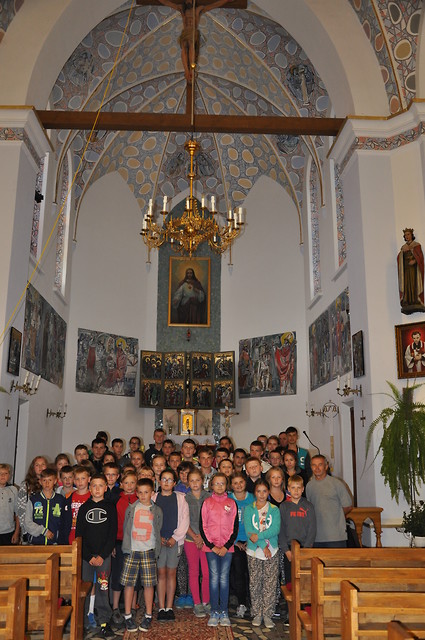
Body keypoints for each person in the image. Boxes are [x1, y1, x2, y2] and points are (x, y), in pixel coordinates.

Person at [76, 473, 117, 639]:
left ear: (106, 488)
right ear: (89, 488)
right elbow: (79, 535)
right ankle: (83, 622)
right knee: (85, 588)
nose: (97, 489)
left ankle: (104, 622)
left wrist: (102, 555)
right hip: (87, 557)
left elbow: (112, 534)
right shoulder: (84, 508)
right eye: (94, 485)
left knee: (103, 588)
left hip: (103, 557)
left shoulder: (110, 507)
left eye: (101, 485)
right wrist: (88, 556)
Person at [120, 478, 163, 633]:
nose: (143, 495)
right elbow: (126, 528)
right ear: (136, 493)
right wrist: (126, 547)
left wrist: (156, 549)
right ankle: (127, 615)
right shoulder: (132, 508)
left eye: (146, 492)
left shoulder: (157, 510)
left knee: (149, 584)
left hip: (148, 550)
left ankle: (148, 615)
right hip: (132, 550)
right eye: (140, 492)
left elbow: (158, 529)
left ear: (152, 493)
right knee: (129, 584)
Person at [200, 472, 238, 627]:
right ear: (211, 485)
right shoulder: (207, 503)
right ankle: (214, 611)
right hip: (211, 548)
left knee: (224, 579)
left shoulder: (232, 503)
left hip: (227, 548)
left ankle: (224, 611)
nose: (220, 486)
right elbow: (203, 526)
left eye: (223, 483)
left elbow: (234, 527)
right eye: (217, 483)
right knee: (214, 578)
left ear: (226, 485)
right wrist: (212, 546)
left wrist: (226, 546)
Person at [157, 0, 230, 81]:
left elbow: (213, 5)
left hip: (193, 31)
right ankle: (186, 70)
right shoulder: (182, 9)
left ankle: (190, 70)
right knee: (184, 49)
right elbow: (168, 3)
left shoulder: (198, 10)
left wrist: (226, 0)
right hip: (185, 31)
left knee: (191, 45)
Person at [153, 469, 190, 622]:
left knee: (171, 574)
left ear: (175, 483)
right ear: (159, 481)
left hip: (174, 541)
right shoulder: (153, 498)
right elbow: (150, 521)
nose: (166, 482)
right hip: (159, 541)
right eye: (164, 479)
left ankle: (169, 607)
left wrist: (175, 537)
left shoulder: (181, 499)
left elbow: (185, 520)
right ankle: (161, 607)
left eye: (170, 480)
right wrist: (158, 537)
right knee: (161, 574)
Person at [244, 479, 281, 629]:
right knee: (255, 583)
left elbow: (275, 529)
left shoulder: (274, 509)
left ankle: (267, 614)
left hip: (272, 551)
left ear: (268, 492)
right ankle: (257, 613)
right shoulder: (249, 509)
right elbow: (249, 531)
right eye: (258, 491)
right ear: (255, 493)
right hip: (254, 551)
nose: (261, 494)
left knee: (270, 583)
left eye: (264, 491)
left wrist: (260, 538)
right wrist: (262, 546)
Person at [279, 474, 316, 592]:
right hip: (289, 548)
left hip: (304, 548)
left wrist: (307, 549)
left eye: (299, 488)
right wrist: (286, 550)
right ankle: (291, 601)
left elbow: (312, 529)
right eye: (293, 488)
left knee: (304, 579)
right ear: (288, 489)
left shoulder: (308, 506)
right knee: (290, 581)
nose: (296, 491)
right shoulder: (284, 506)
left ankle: (304, 602)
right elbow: (281, 529)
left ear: (303, 489)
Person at [305, 455, 352, 548]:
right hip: (316, 537)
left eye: (320, 465)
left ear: (326, 466)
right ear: (311, 467)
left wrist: (334, 515)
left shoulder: (336, 483)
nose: (317, 468)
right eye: (314, 465)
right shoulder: (309, 486)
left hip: (335, 536)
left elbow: (348, 506)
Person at [111, 470, 138, 626]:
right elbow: (112, 524)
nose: (129, 486)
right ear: (121, 484)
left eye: (132, 482)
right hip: (119, 542)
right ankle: (115, 607)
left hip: (136, 543)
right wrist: (112, 543)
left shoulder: (140, 499)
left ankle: (133, 606)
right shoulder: (116, 500)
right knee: (118, 575)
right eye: (126, 483)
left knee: (134, 576)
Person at [184, 468, 210, 617]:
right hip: (190, 539)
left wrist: (202, 536)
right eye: (192, 480)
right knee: (194, 571)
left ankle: (206, 601)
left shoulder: (209, 497)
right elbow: (183, 520)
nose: (195, 483)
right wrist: (195, 536)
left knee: (206, 572)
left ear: (203, 481)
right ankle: (197, 603)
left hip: (206, 539)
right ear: (188, 483)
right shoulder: (185, 499)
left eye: (197, 480)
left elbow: (211, 519)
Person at [228, 472, 254, 619]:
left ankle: (254, 603)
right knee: (238, 571)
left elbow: (258, 519)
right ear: (231, 485)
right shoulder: (228, 499)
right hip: (235, 541)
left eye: (241, 482)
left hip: (252, 540)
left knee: (251, 573)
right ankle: (242, 603)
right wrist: (235, 542)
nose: (238, 485)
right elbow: (225, 524)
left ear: (245, 482)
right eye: (235, 483)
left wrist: (250, 540)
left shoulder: (252, 498)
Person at [24, 467, 68, 545]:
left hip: (54, 543)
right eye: (44, 480)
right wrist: (43, 531)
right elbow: (27, 522)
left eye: (50, 480)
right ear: (40, 482)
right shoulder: (33, 499)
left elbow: (65, 522)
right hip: (36, 543)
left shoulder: (61, 500)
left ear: (55, 481)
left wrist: (60, 537)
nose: (47, 483)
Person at [16, 455, 48, 541]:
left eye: (43, 464)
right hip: (29, 528)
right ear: (33, 468)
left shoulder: (51, 484)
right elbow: (21, 509)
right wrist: (23, 530)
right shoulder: (26, 485)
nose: (40, 467)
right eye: (37, 465)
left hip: (46, 527)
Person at [397, 228, 425, 313]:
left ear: (412, 235)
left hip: (414, 270)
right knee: (407, 284)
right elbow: (399, 258)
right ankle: (406, 300)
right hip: (406, 270)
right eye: (405, 235)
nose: (407, 236)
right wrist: (402, 253)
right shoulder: (403, 247)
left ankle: (416, 300)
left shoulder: (417, 245)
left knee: (413, 284)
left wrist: (415, 261)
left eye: (408, 234)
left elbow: (420, 258)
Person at [0, 463, 19, 545]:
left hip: (9, 533)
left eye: (5, 473)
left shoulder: (13, 490)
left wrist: (16, 533)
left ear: (9, 475)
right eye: (0, 473)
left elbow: (18, 513)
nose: (3, 476)